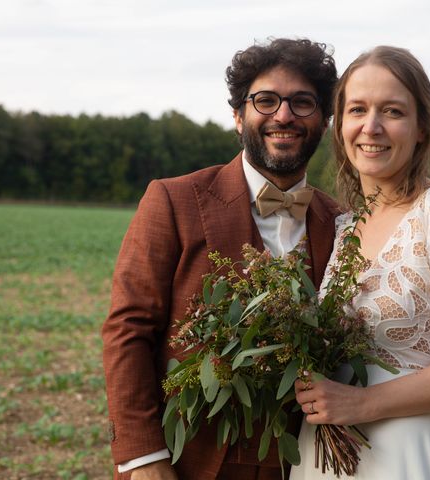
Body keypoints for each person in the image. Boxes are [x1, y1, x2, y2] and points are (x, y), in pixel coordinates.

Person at [101, 38, 339, 480]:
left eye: (302, 103)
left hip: (308, 461)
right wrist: (142, 458)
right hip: (188, 461)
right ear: (237, 116)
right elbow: (128, 329)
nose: (283, 115)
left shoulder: (342, 221)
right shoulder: (173, 200)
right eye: (265, 100)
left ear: (324, 121)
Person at [290, 46, 430, 479]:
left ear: (420, 128)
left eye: (392, 111)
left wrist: (362, 403)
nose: (371, 127)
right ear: (340, 126)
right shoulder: (342, 226)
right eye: (357, 109)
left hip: (404, 452)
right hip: (324, 452)